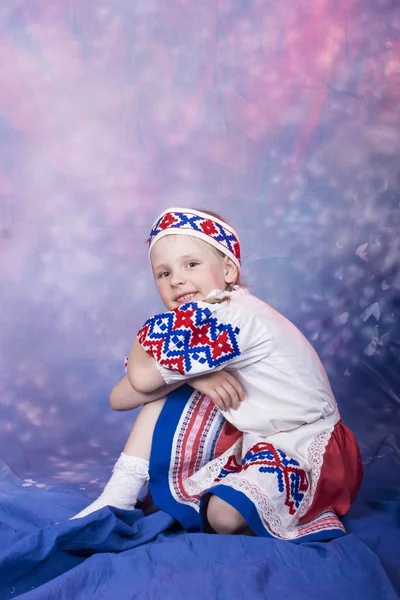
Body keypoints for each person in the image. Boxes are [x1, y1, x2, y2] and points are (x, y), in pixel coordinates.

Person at [72, 207, 363, 541]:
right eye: (163, 273)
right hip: (258, 435)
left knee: (223, 517)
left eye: (191, 264)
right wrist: (194, 376)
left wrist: (151, 342)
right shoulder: (203, 318)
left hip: (310, 445)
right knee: (172, 387)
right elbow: (120, 397)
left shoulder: (234, 318)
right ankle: (118, 494)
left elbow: (139, 381)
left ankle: (131, 494)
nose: (176, 279)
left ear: (228, 269)